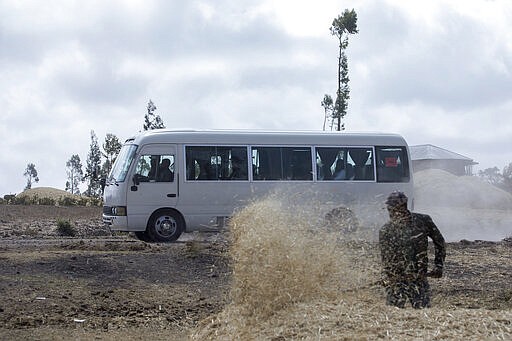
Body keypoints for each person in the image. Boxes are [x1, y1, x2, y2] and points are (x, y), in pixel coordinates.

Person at [379, 191, 446, 309]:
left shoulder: (423, 221)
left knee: (423, 312)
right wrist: (388, 278)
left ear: (401, 207)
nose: (389, 211)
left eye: (392, 208)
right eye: (389, 208)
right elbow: (386, 259)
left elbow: (440, 242)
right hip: (397, 281)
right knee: (393, 314)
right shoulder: (386, 230)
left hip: (419, 280)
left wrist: (438, 265)